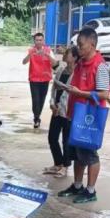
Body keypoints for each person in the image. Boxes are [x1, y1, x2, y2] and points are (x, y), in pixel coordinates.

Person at [57, 27, 109, 204]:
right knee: (77, 153)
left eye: (81, 44)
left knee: (90, 154)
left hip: (89, 118)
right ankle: (77, 185)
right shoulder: (80, 63)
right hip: (75, 114)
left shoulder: (99, 65)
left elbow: (104, 94)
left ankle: (91, 190)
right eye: (78, 45)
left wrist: (81, 93)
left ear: (92, 44)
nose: (78, 48)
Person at [43, 46, 76, 178]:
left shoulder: (77, 74)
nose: (64, 55)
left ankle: (66, 167)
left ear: (74, 57)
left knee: (66, 140)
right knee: (52, 137)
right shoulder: (61, 70)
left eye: (67, 53)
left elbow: (71, 93)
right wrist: (52, 104)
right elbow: (54, 89)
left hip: (68, 112)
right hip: (56, 109)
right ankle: (58, 163)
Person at [22, 32, 56, 129]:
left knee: (42, 99)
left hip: (45, 79)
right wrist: (30, 54)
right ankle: (36, 118)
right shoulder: (31, 51)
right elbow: (24, 62)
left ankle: (37, 115)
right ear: (34, 41)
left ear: (43, 41)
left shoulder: (48, 50)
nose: (39, 42)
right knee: (35, 99)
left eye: (40, 40)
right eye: (37, 40)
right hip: (34, 79)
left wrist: (47, 55)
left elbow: (55, 64)